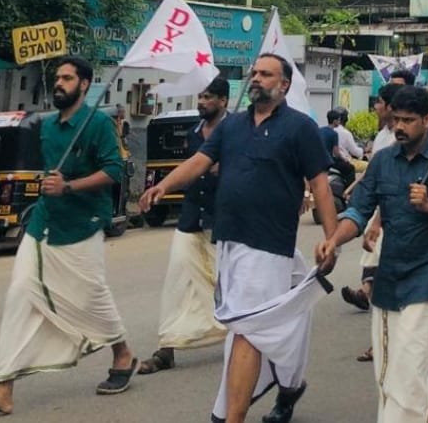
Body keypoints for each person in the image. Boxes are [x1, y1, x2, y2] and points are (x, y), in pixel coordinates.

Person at [139, 54, 339, 423]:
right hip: (229, 240)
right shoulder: (231, 127)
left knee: (248, 328)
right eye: (254, 73)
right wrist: (163, 186)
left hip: (269, 245)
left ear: (284, 85)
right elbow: (199, 162)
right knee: (259, 329)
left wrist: (332, 238)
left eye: (265, 74)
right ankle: (289, 386)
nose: (256, 79)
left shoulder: (300, 128)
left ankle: (229, 417)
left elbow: (320, 187)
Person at [317, 86, 428, 423]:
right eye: (396, 120)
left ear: (427, 119)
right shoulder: (382, 161)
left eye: (409, 120)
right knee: (388, 369)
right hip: (389, 276)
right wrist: (334, 240)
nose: (400, 127)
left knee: (409, 367)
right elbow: (358, 211)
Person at [0, 57, 133, 420]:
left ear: (84, 84)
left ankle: (123, 354)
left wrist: (69, 187)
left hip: (82, 224)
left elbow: (114, 170)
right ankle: (3, 390)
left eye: (67, 78)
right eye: (57, 77)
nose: (60, 83)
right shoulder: (47, 127)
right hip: (43, 225)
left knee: (91, 295)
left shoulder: (97, 123)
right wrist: (52, 188)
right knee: (20, 295)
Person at [137, 77, 230, 376]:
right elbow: (191, 167)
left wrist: (224, 169)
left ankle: (250, 336)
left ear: (224, 101)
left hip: (225, 219)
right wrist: (162, 187)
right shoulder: (194, 132)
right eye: (200, 96)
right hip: (191, 217)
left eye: (208, 97)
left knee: (227, 284)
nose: (202, 102)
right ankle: (167, 349)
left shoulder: (238, 131)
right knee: (177, 280)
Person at [341, 83, 403, 364]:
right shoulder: (381, 137)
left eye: (378, 102)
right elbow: (376, 171)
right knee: (376, 266)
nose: (375, 107)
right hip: (379, 210)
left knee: (388, 278)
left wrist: (379, 219)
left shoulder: (404, 139)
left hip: (396, 216)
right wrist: (357, 185)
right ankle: (380, 340)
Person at [321, 110, 356, 189]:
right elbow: (336, 153)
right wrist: (345, 159)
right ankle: (348, 191)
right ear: (334, 121)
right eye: (338, 120)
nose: (339, 122)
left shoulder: (320, 130)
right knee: (350, 168)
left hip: (320, 161)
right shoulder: (334, 134)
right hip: (329, 162)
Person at [332, 107, 367, 173]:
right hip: (345, 162)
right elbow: (356, 152)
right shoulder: (346, 133)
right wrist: (363, 150)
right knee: (369, 166)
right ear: (345, 119)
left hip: (331, 162)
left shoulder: (329, 130)